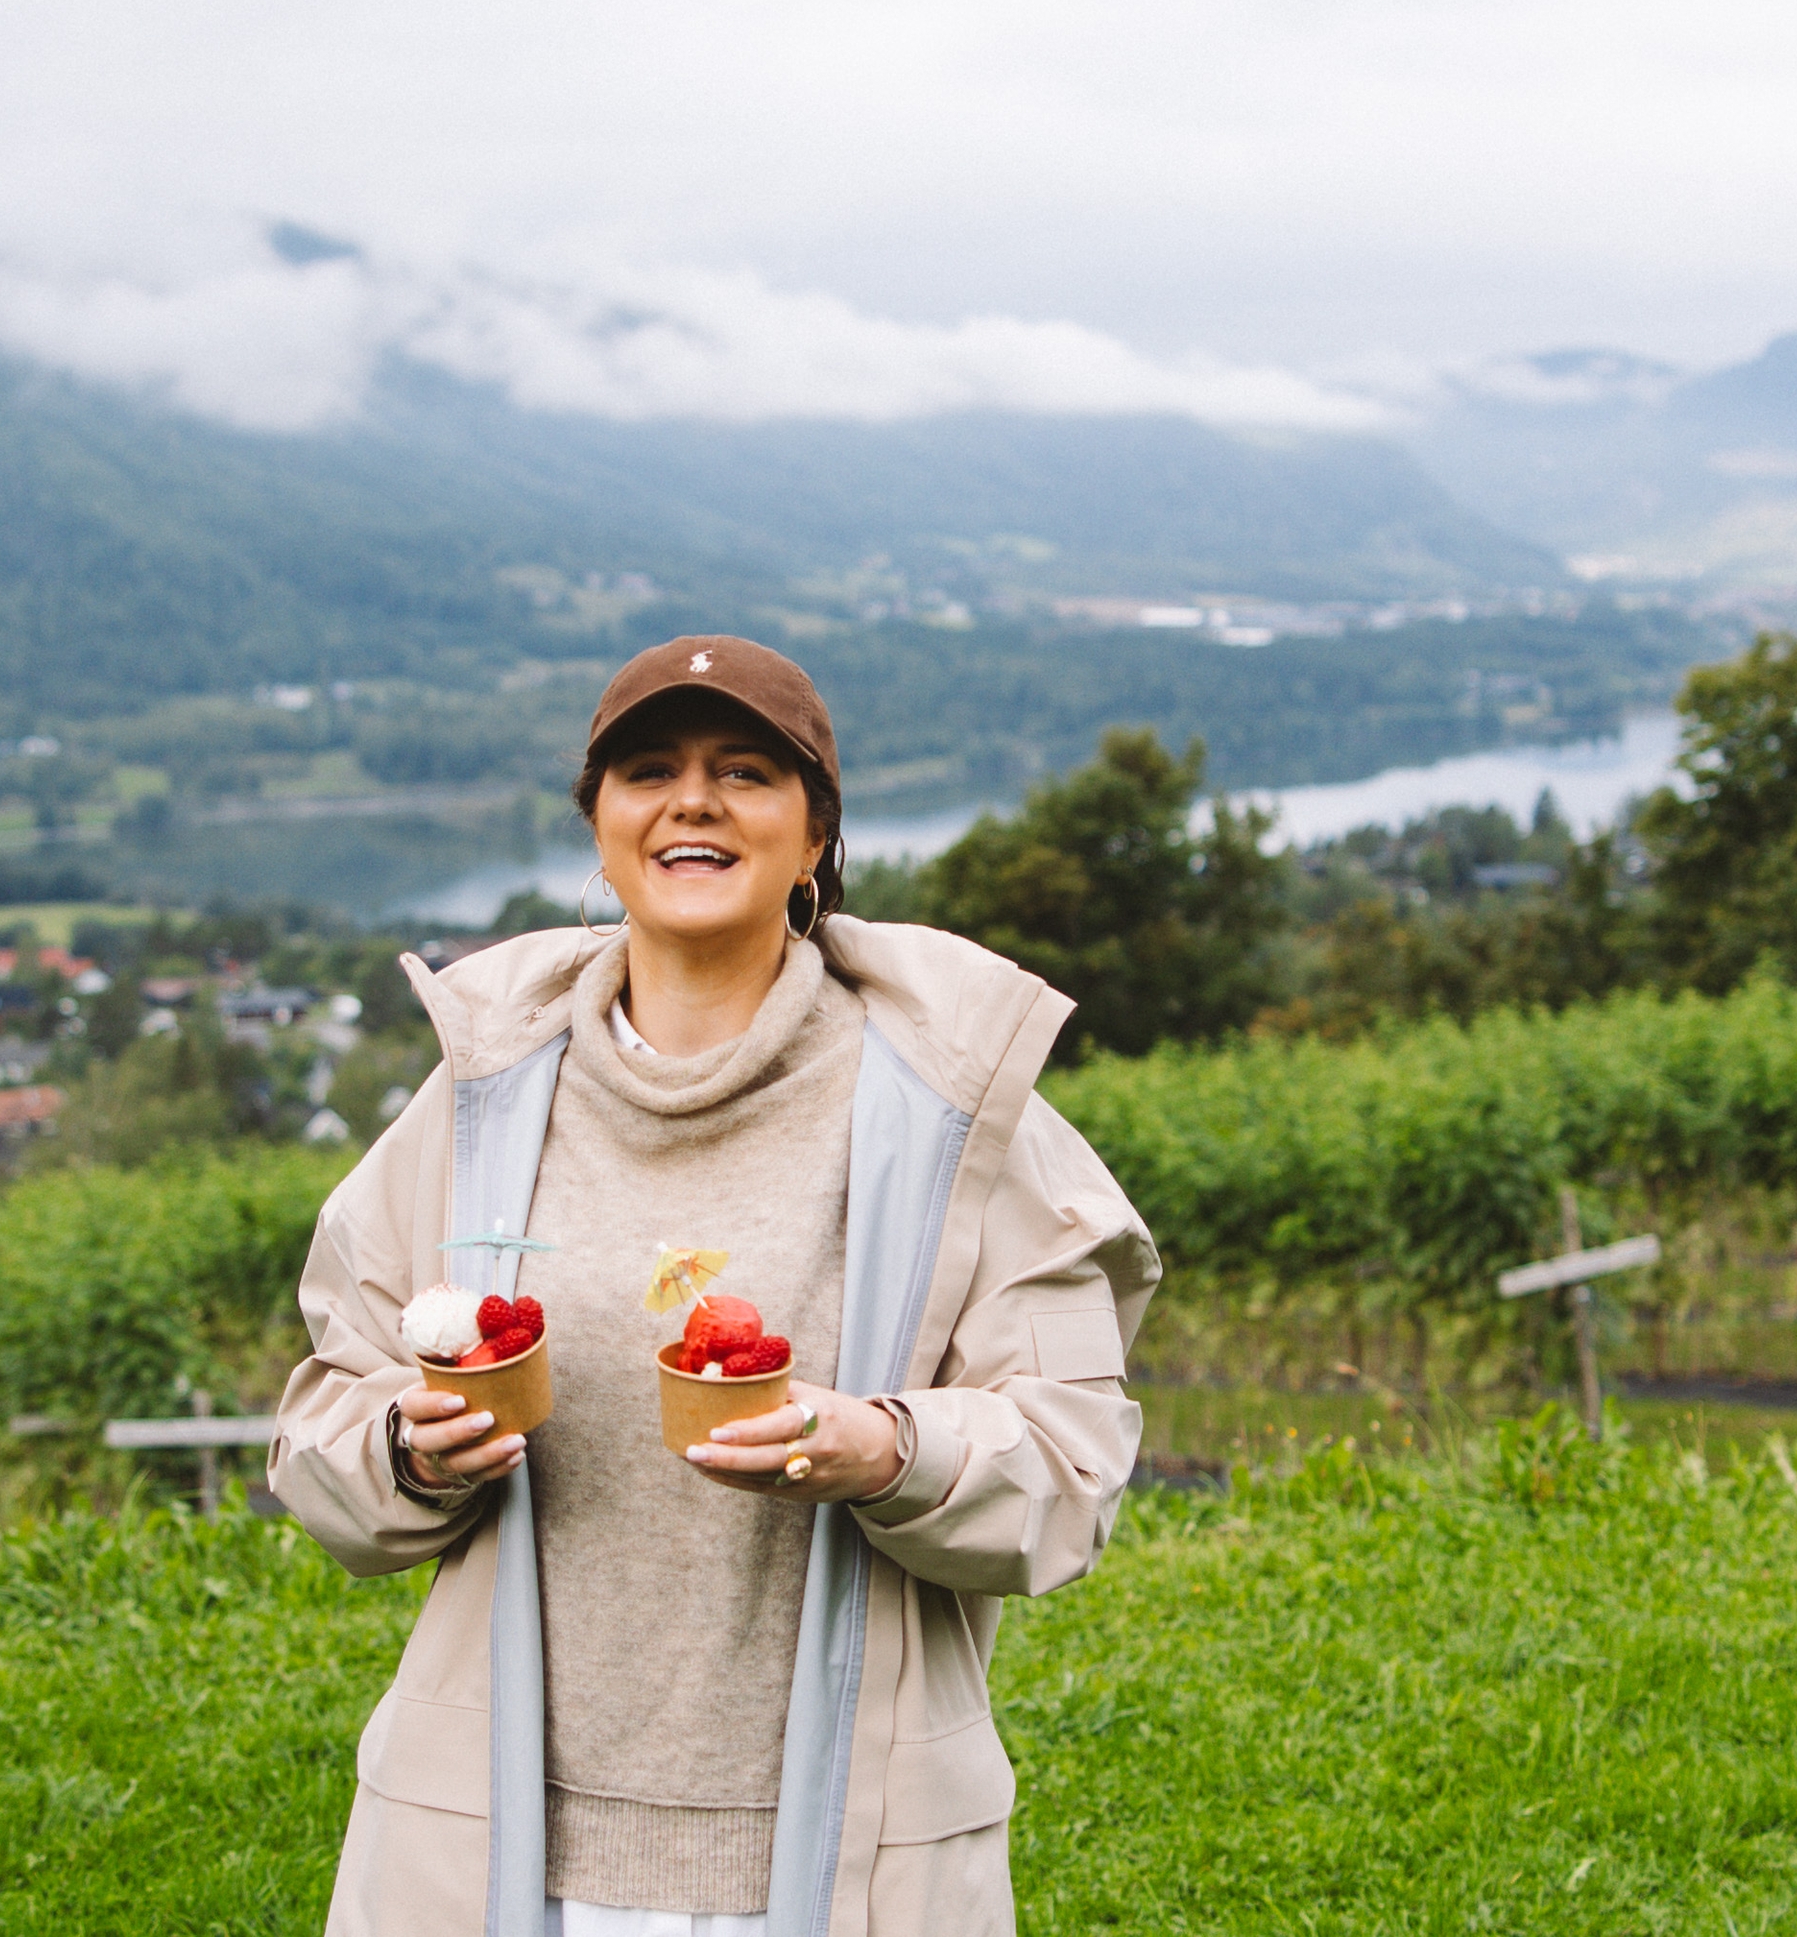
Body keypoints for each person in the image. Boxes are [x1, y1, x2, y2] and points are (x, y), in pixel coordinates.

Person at [271, 635, 1158, 1937]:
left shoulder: (953, 1116)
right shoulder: (478, 1108)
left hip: (843, 1848)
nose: (692, 800)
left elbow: (1072, 1459)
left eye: (746, 771)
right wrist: (410, 1451)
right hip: (504, 1843)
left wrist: (887, 1448)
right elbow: (321, 1431)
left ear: (814, 843)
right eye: (648, 770)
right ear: (603, 826)